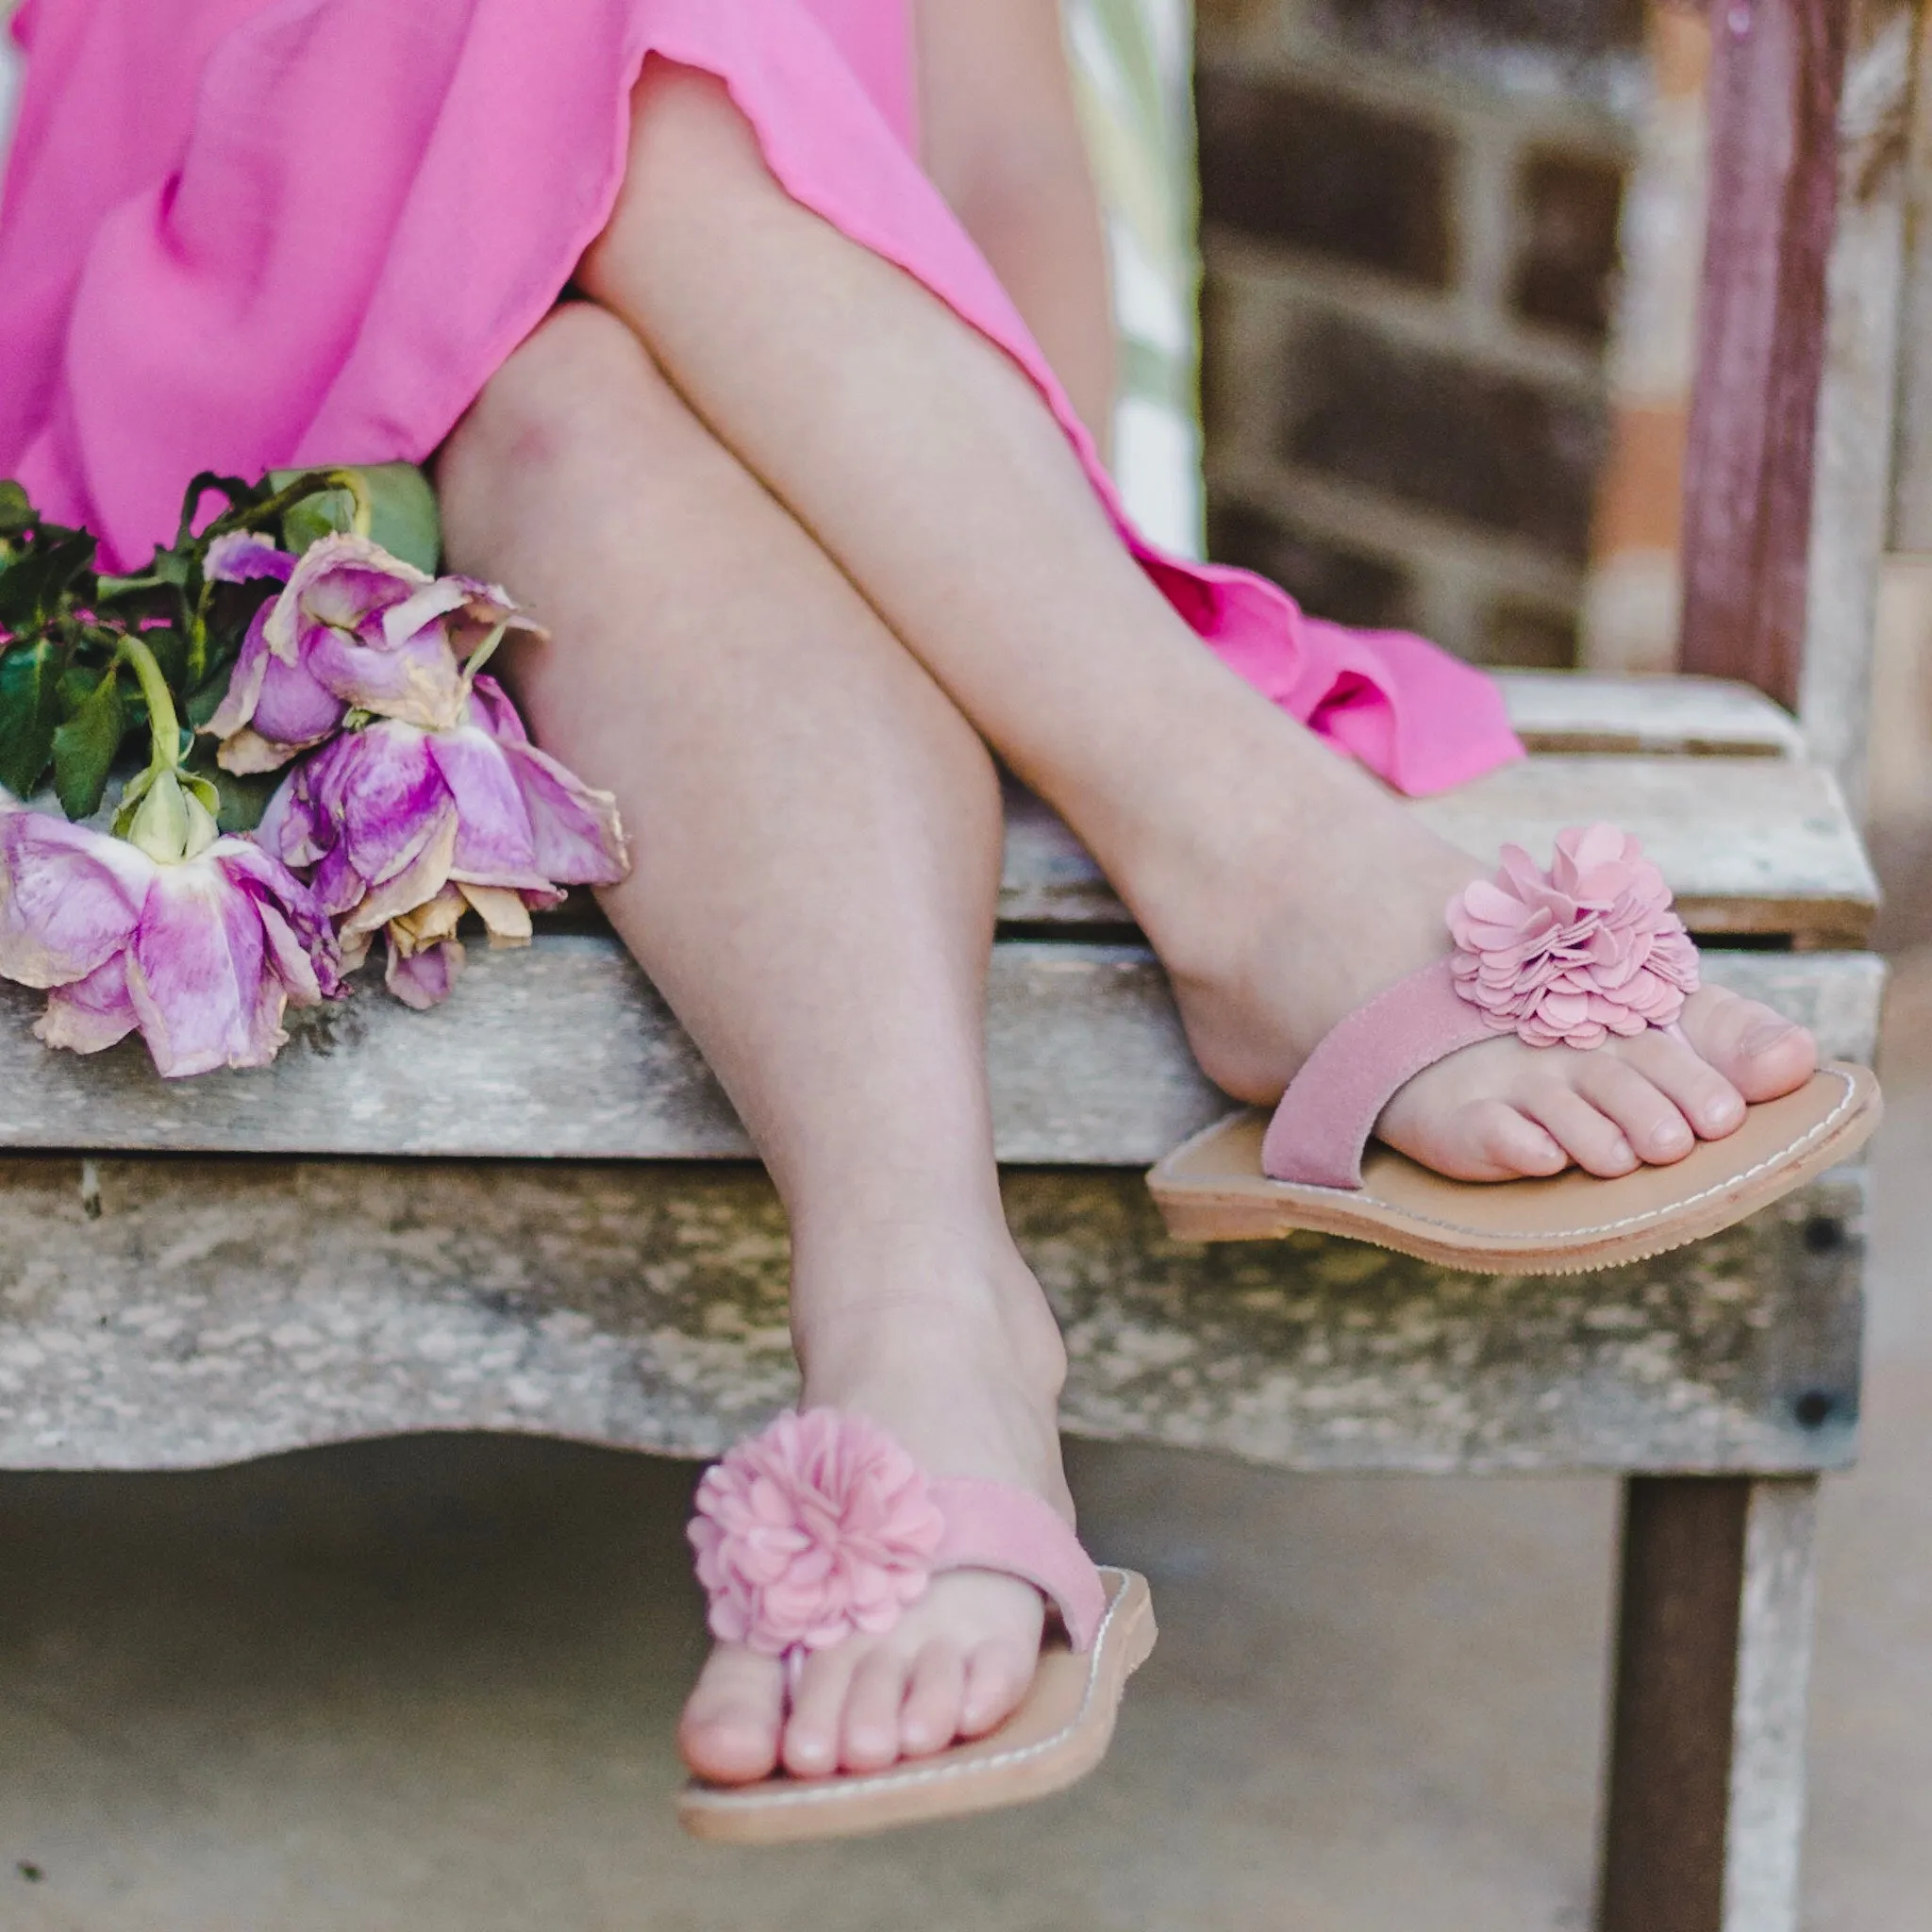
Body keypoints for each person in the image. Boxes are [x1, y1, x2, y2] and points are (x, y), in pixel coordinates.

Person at [0, 0, 1820, 1799]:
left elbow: (1005, 162)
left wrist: (972, 544)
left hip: (669, 426)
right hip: (228, 432)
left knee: (576, 405)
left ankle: (921, 1317)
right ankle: (1250, 848)